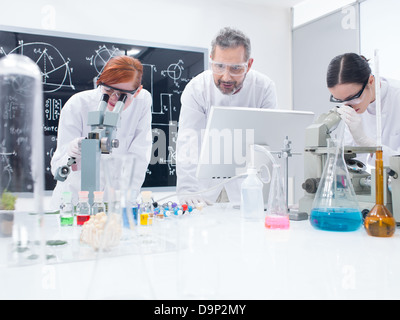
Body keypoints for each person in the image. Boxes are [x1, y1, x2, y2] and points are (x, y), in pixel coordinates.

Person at [176, 27, 278, 206]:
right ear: (211, 62)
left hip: (249, 184)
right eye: (219, 66)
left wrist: (271, 192)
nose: (226, 76)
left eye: (236, 68)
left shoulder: (264, 88)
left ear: (249, 64)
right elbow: (189, 142)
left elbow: (268, 144)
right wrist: (188, 190)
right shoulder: (197, 89)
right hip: (203, 187)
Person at [50, 55, 152, 208]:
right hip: (73, 201)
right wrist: (72, 152)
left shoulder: (142, 101)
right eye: (108, 90)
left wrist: (126, 203)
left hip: (114, 203)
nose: (114, 98)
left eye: (123, 95)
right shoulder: (78, 104)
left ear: (137, 91)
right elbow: (57, 168)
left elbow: (139, 156)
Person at [327, 52, 400, 166]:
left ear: (371, 81)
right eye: (340, 100)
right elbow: (353, 162)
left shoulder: (396, 97)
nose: (347, 106)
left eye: (353, 97)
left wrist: (365, 142)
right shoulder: (352, 106)